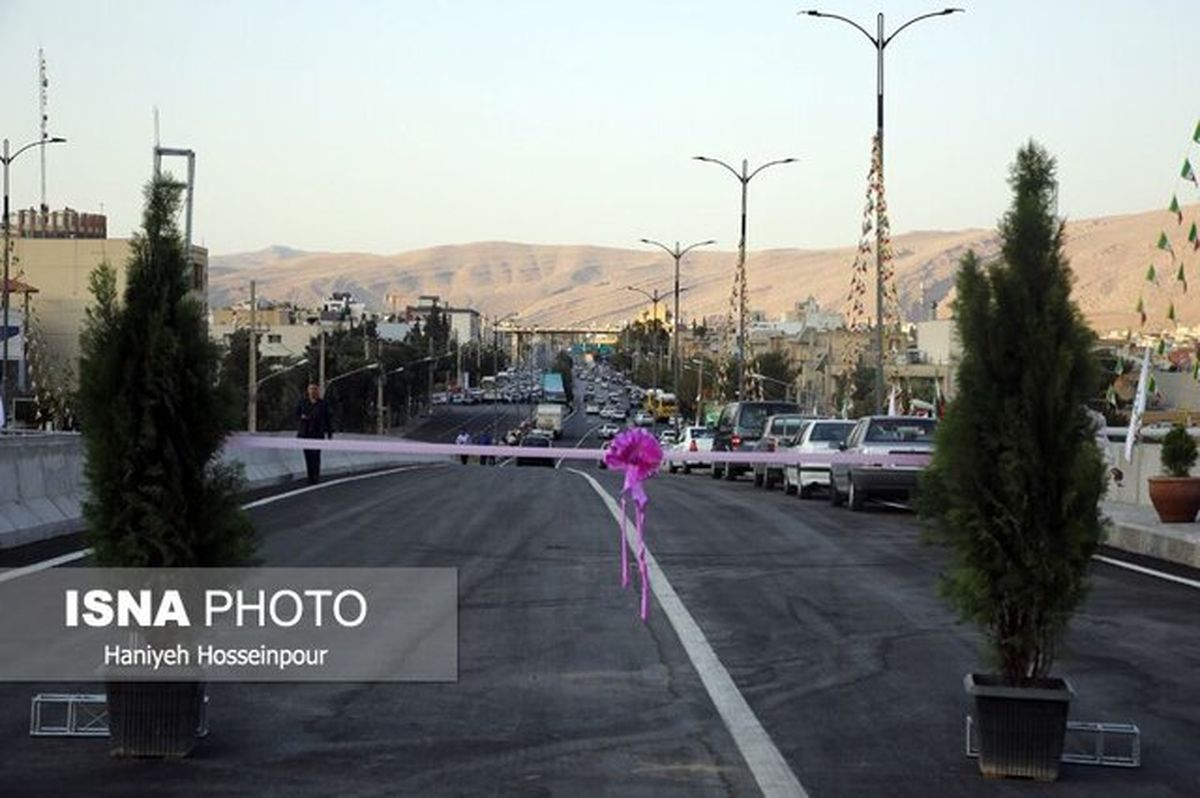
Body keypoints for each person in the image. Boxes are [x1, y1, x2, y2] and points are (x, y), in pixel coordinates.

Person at [297, 383, 333, 485]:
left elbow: (328, 418)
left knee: (316, 455)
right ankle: (310, 476)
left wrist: (329, 432)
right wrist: (301, 417)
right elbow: (296, 414)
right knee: (308, 456)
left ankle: (316, 476)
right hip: (305, 433)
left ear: (317, 391)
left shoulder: (323, 404)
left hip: (318, 433)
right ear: (308, 391)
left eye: (315, 389)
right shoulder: (303, 403)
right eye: (311, 389)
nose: (313, 391)